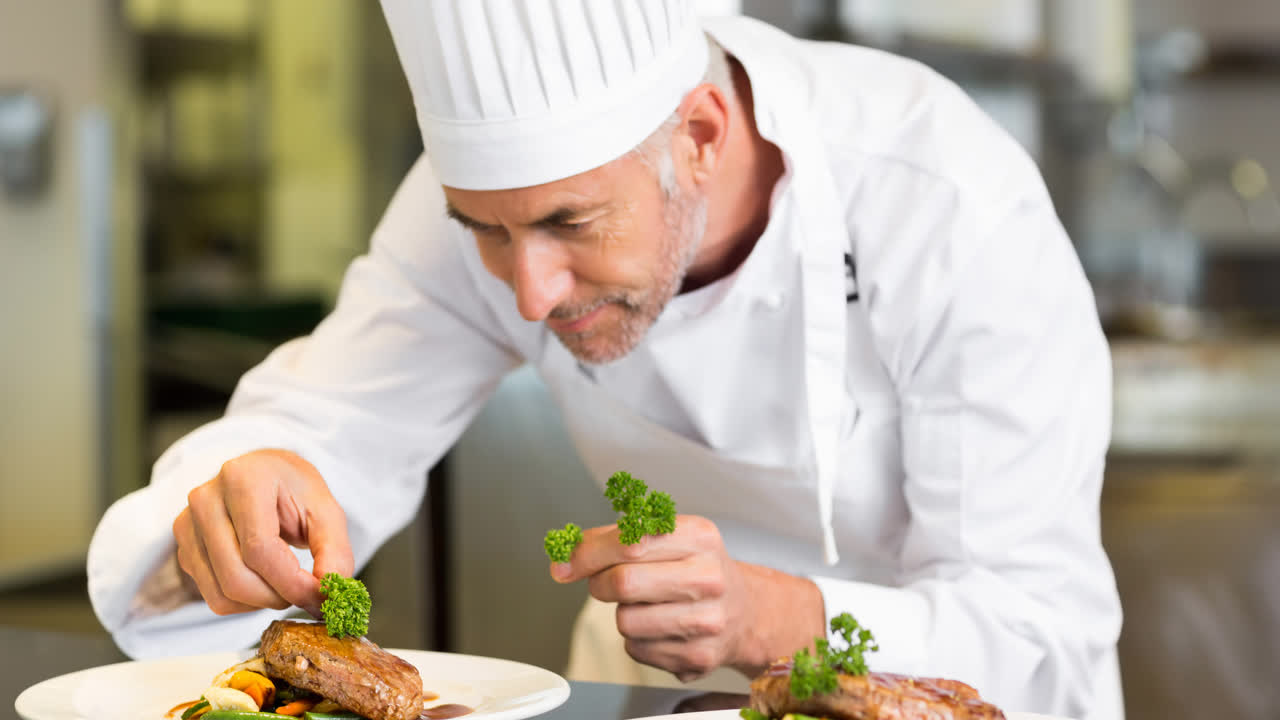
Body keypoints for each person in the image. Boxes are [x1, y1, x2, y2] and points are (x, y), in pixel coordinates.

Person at [87, 2, 1124, 718]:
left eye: (570, 223)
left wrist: (769, 614)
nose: (528, 292)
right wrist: (242, 499)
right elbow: (328, 424)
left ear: (702, 136)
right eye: (485, 232)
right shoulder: (484, 207)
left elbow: (1040, 630)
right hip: (649, 699)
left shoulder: (942, 200)